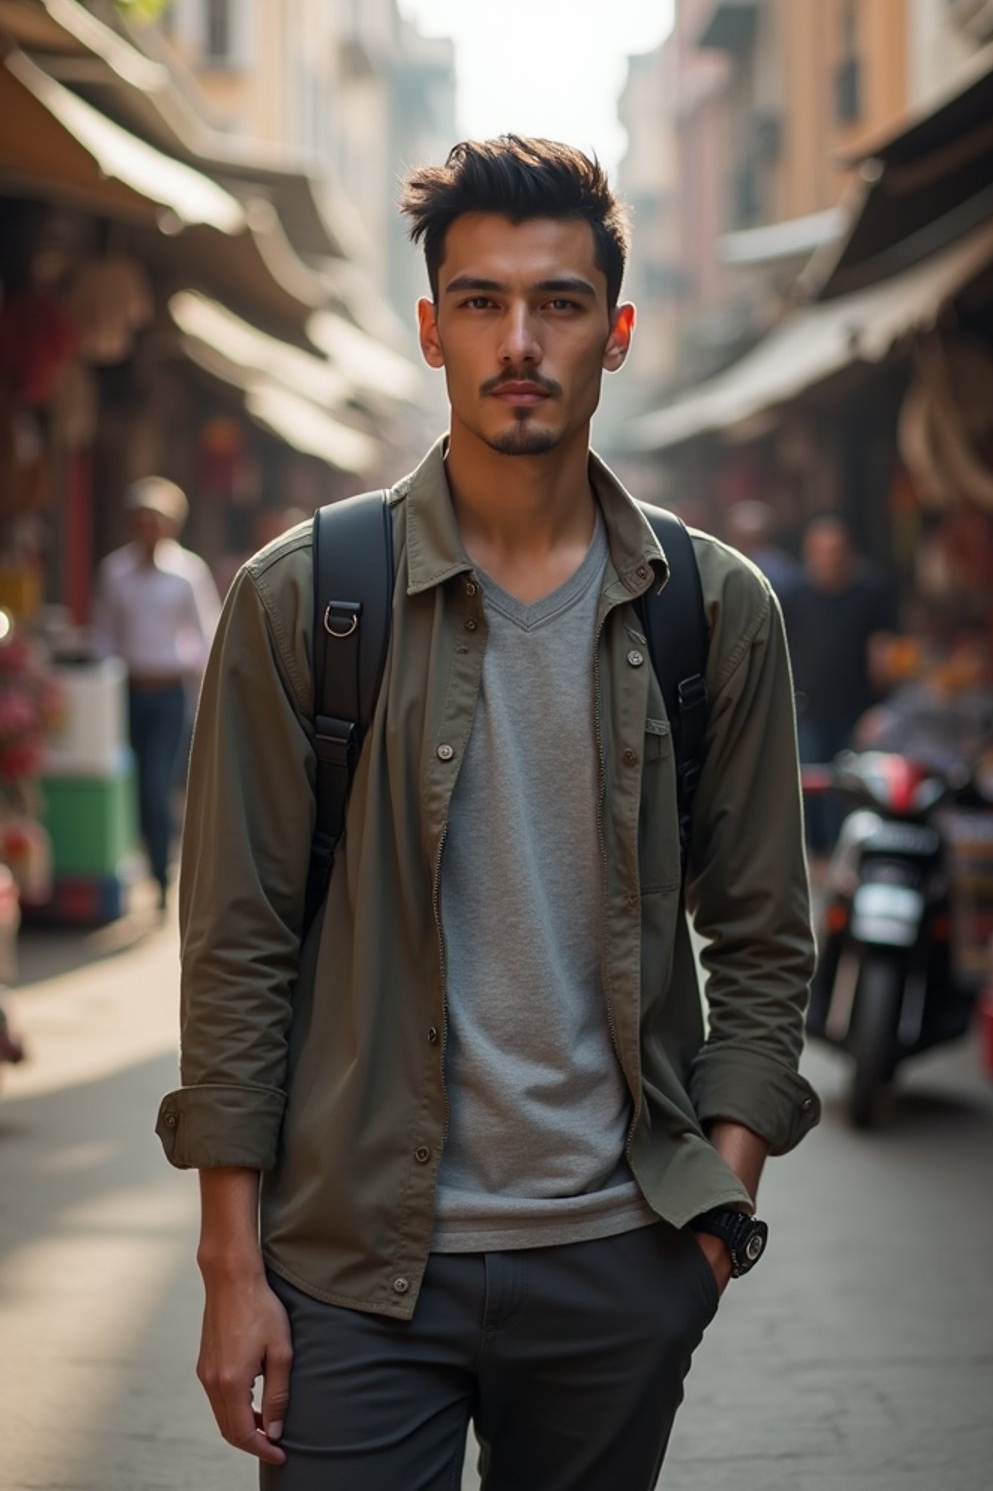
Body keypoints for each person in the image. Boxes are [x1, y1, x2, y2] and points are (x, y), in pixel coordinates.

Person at [157, 136, 820, 1490]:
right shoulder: (304, 600)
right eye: (481, 302)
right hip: (352, 1271)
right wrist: (233, 1264)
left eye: (560, 304)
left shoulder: (716, 611)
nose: (520, 341)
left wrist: (715, 1207)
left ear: (617, 333)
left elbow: (764, 937)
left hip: (619, 1262)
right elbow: (237, 942)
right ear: (430, 328)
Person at [93, 476, 220, 911]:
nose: (149, 528)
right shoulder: (115, 571)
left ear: (171, 525)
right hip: (128, 690)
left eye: (156, 520)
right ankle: (134, 866)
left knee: (156, 783)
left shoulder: (188, 574)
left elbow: (206, 634)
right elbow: (104, 632)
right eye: (141, 519)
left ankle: (162, 877)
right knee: (127, 782)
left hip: (170, 693)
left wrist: (205, 685)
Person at [780, 515, 898, 854]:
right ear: (809, 553)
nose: (829, 557)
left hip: (857, 712)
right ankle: (811, 862)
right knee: (808, 790)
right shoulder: (792, 593)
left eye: (836, 550)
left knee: (849, 792)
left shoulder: (871, 590)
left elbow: (883, 650)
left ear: (850, 552)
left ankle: (843, 861)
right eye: (821, 550)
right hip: (806, 710)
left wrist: (882, 707)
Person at [723, 499, 801, 596]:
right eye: (741, 539)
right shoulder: (721, 562)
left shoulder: (781, 571)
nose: (746, 545)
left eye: (752, 540)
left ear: (766, 537)